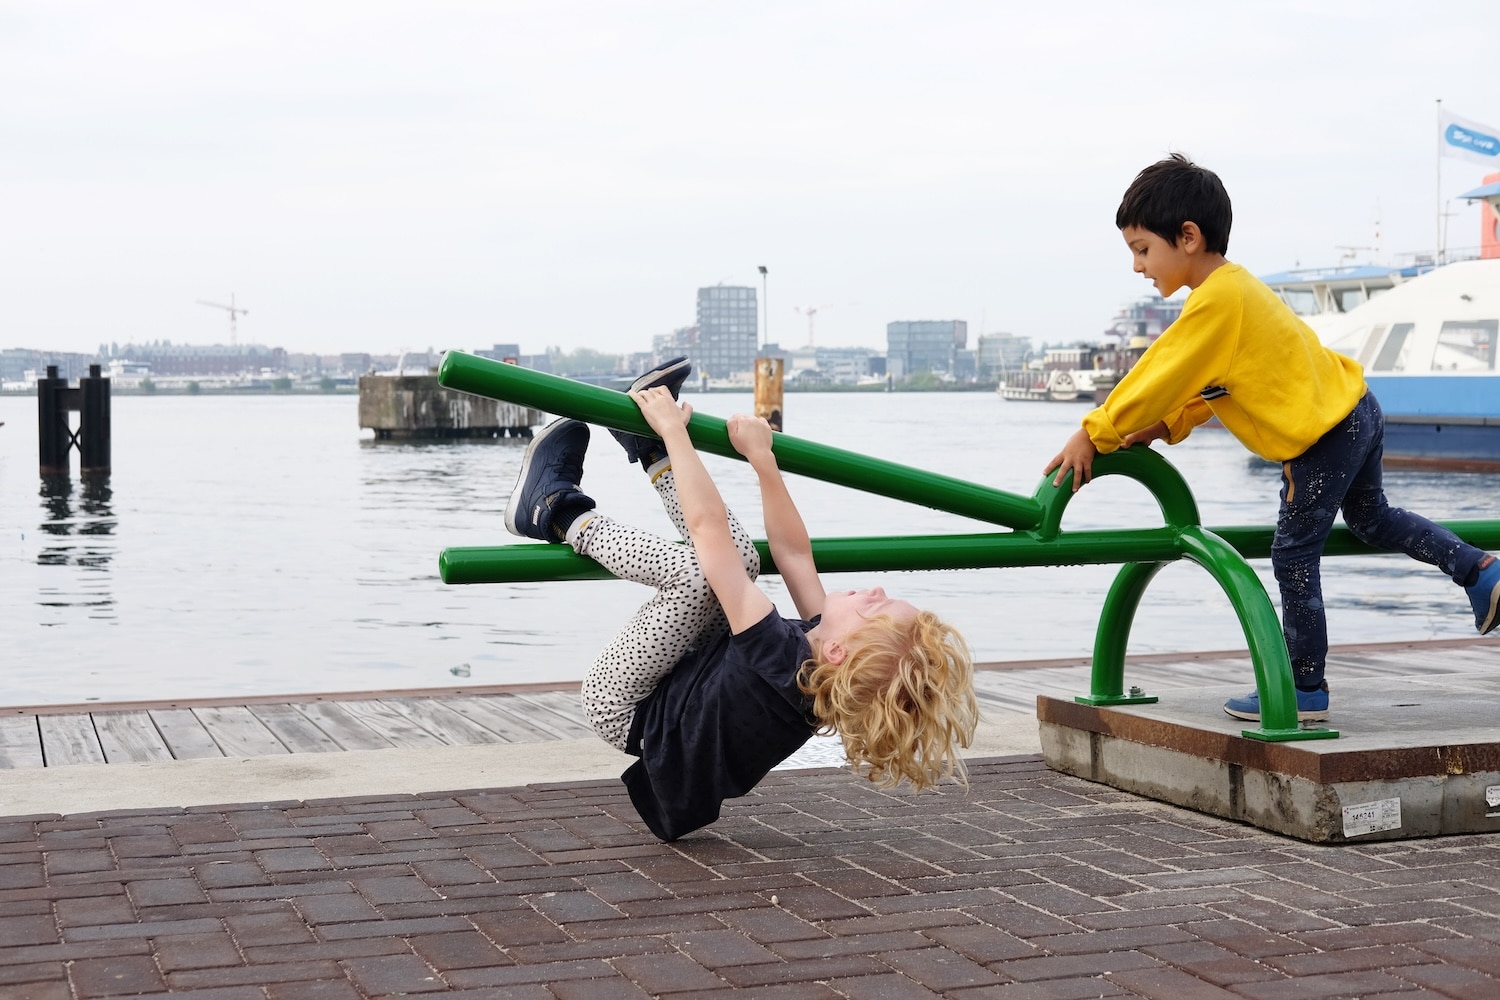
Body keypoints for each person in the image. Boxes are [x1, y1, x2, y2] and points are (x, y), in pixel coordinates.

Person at [1045, 153, 1500, 724]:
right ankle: (1480, 571)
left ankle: (1304, 686)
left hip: (1322, 436)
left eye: (1142, 249)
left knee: (1292, 553)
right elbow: (1210, 385)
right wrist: (1166, 425)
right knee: (1371, 519)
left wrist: (1094, 432)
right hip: (1357, 410)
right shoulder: (1232, 293)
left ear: (1187, 237)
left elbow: (1161, 370)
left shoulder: (1216, 300)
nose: (1138, 266)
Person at [504, 358, 979, 841]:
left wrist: (677, 432)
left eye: (875, 606)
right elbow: (793, 553)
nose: (876, 590)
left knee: (700, 572)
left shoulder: (778, 662)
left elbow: (707, 531)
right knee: (744, 564)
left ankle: (553, 511)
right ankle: (646, 448)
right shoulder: (819, 666)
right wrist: (762, 459)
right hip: (680, 686)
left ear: (838, 652)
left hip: (623, 707)